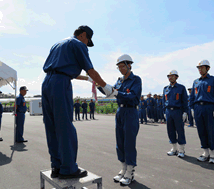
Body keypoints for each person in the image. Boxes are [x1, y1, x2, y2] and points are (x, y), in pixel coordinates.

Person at [42, 25, 113, 179]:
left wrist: (86, 79)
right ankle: (68, 169)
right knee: (65, 127)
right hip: (61, 84)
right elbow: (91, 70)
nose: (87, 44)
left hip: (47, 82)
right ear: (83, 35)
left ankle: (56, 166)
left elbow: (63, 68)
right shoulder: (78, 44)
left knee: (51, 126)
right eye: (88, 40)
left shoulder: (58, 44)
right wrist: (106, 87)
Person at [98, 54, 142, 186]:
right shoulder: (119, 80)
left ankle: (130, 171)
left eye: (122, 66)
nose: (121, 69)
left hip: (130, 111)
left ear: (129, 65)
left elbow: (132, 95)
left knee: (129, 142)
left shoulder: (136, 80)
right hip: (120, 112)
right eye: (119, 67)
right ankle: (123, 168)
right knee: (120, 142)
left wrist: (117, 93)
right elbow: (110, 92)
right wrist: (98, 84)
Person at [190, 60, 214, 164]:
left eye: (202, 67)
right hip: (198, 108)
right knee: (201, 131)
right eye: (198, 68)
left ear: (207, 68)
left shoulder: (213, 80)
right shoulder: (196, 82)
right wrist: (192, 108)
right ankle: (205, 153)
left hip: (209, 107)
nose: (200, 69)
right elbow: (192, 97)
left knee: (211, 131)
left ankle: (213, 154)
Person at [163, 70, 188, 158]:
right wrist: (164, 112)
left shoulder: (181, 88)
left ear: (176, 77)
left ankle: (181, 150)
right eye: (169, 76)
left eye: (172, 76)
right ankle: (174, 149)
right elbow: (164, 101)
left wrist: (185, 112)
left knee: (180, 130)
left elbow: (185, 101)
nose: (170, 78)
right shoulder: (166, 88)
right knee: (170, 130)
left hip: (178, 111)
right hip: (168, 111)